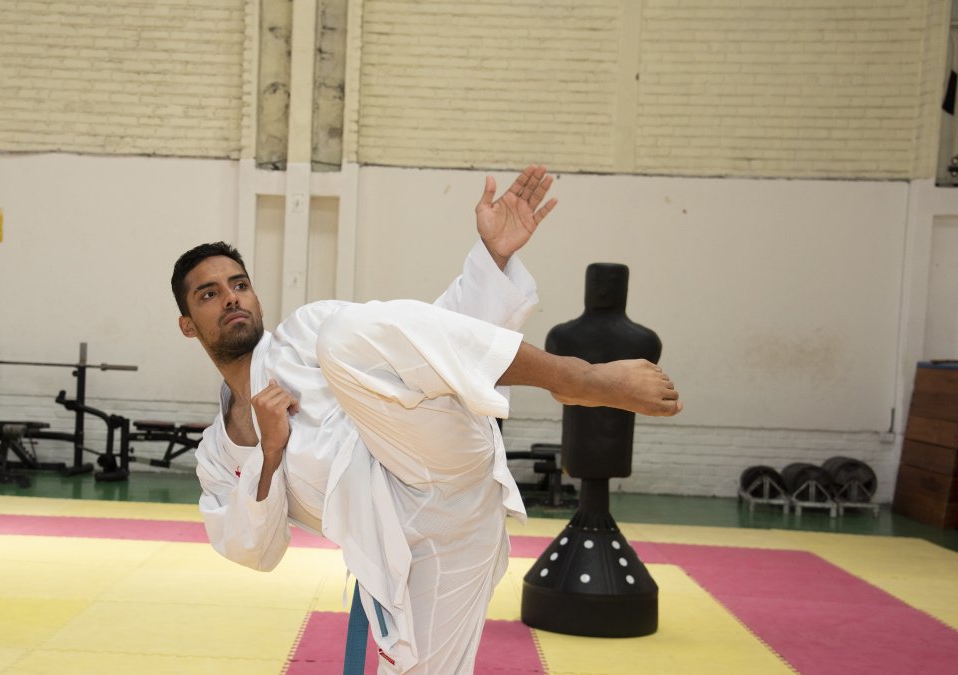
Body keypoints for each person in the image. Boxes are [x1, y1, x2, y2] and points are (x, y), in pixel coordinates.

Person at [170, 166, 681, 673]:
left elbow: (424, 340)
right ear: (188, 326)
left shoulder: (303, 333)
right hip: (424, 545)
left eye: (239, 284)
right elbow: (254, 550)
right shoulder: (216, 454)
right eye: (209, 293)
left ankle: (576, 378)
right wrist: (270, 451)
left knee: (345, 334)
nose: (231, 297)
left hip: (432, 455)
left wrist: (492, 257)